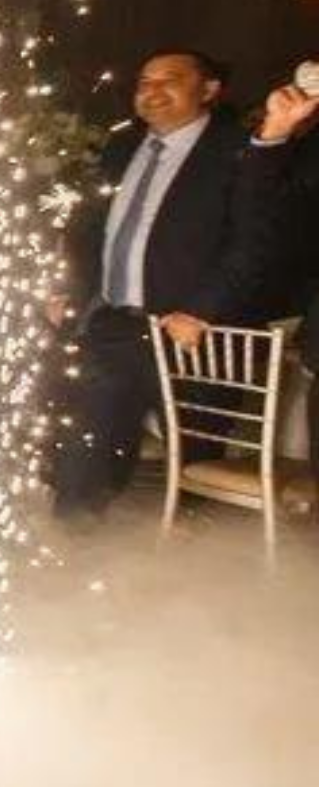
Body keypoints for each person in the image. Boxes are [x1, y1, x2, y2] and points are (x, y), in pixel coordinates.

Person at [51, 50, 308, 520]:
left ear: (208, 89)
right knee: (86, 434)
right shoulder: (121, 147)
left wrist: (203, 310)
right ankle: (73, 532)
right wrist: (69, 287)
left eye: (170, 80)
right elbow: (89, 227)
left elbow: (255, 245)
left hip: (190, 334)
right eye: (144, 81)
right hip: (114, 322)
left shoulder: (238, 149)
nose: (152, 90)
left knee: (195, 457)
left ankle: (187, 553)